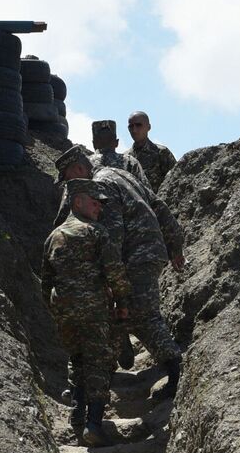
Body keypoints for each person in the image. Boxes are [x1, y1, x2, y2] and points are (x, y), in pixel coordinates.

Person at [53, 146, 186, 388]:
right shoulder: (120, 173)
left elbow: (112, 235)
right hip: (151, 250)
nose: (68, 186)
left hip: (137, 255)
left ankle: (177, 373)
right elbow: (159, 206)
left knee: (143, 315)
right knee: (132, 312)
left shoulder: (100, 185)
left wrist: (106, 272)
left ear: (79, 169)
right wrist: (174, 244)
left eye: (68, 178)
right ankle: (120, 360)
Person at [42, 177, 129, 446]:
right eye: (95, 203)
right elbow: (114, 270)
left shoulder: (52, 237)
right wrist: (123, 302)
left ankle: (77, 418)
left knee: (78, 358)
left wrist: (57, 309)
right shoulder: (96, 232)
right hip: (95, 310)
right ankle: (93, 424)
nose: (99, 209)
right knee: (99, 362)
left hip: (64, 312)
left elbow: (45, 281)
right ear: (77, 201)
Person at [127, 111, 178, 191]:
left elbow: (176, 180)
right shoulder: (126, 158)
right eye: (131, 126)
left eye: (138, 125)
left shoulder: (161, 153)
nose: (134, 130)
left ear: (148, 127)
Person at [90, 119, 149, 185]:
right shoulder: (130, 161)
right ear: (117, 143)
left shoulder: (87, 163)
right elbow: (146, 190)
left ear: (94, 144)